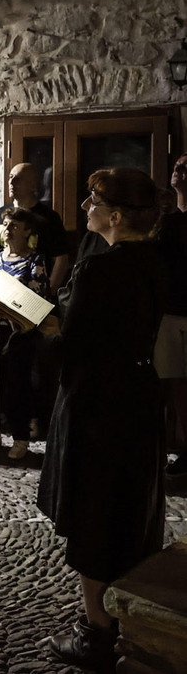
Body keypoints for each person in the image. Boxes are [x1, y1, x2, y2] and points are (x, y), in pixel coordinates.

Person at [38, 168, 168, 669]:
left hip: (96, 405)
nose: (85, 206)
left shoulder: (100, 271)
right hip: (137, 395)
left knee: (92, 514)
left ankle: (96, 633)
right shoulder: (154, 263)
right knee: (128, 510)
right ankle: (122, 617)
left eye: (93, 201)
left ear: (115, 216)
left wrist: (27, 324)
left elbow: (68, 348)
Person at [0, 208, 49, 459]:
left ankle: (20, 437)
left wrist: (2, 313)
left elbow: (36, 298)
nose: (8, 229)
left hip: (18, 335)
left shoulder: (35, 261)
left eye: (14, 225)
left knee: (18, 384)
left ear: (27, 231)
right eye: (6, 225)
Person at [0, 162, 69, 297]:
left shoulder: (48, 218)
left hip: (30, 293)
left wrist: (48, 292)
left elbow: (61, 259)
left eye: (18, 178)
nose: (11, 182)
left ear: (33, 185)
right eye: (10, 177)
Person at [154, 153, 187, 478]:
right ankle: (158, 450)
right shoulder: (167, 221)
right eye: (177, 165)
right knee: (167, 383)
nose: (179, 170)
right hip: (168, 311)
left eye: (186, 166)